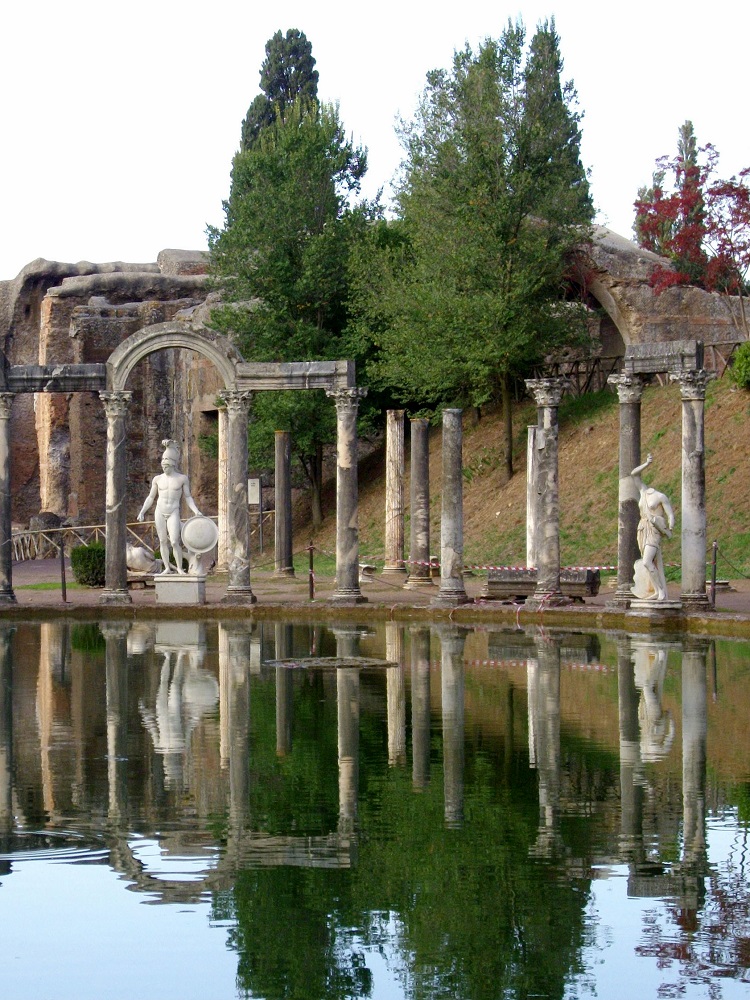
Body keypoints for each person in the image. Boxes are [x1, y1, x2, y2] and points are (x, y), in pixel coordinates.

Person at [137, 440, 201, 575]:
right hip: (160, 510)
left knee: (174, 541)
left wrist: (196, 510)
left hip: (173, 511)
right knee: (162, 540)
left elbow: (188, 497)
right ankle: (167, 567)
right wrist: (142, 511)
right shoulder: (157, 479)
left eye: (166, 463)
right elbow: (150, 497)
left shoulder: (182, 478)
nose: (164, 466)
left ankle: (179, 567)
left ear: (172, 464)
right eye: (163, 462)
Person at [630, 453, 675, 602]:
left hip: (654, 529)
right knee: (650, 562)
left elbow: (670, 514)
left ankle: (661, 591)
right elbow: (633, 474)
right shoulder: (643, 491)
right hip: (642, 528)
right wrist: (647, 464)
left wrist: (670, 527)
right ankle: (656, 591)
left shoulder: (661, 496)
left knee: (647, 561)